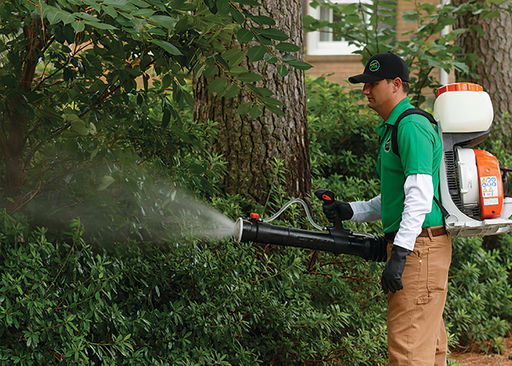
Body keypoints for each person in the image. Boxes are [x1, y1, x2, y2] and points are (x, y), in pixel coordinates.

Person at [323, 52, 452, 366]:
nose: (365, 91)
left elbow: (420, 196)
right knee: (426, 350)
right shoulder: (395, 128)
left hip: (419, 250)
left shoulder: (410, 127)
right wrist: (350, 210)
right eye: (364, 84)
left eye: (372, 84)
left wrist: (400, 253)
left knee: (408, 353)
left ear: (396, 84)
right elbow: (397, 198)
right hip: (421, 247)